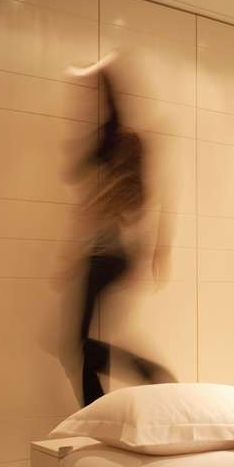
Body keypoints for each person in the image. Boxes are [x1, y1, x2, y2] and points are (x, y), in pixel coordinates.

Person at [68, 64, 174, 406]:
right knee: (80, 344)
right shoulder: (106, 142)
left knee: (78, 342)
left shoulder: (124, 140)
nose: (86, 101)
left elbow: (141, 197)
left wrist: (158, 249)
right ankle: (100, 409)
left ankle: (152, 375)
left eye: (92, 94)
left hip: (110, 253)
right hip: (102, 251)